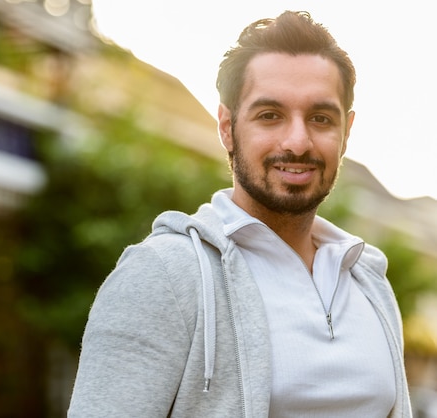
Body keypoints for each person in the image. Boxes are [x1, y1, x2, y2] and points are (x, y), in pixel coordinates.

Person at [68, 10, 411, 417]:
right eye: (270, 115)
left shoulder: (368, 281)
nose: (298, 141)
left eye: (320, 118)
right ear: (227, 127)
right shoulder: (164, 274)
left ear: (346, 132)